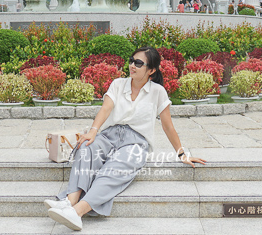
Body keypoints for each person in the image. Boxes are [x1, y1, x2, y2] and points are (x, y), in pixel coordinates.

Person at [46, 47, 206, 231]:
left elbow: (167, 126)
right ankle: (69, 201)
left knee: (115, 168)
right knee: (87, 147)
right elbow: (106, 108)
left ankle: (77, 212)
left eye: (138, 63)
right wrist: (93, 131)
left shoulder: (158, 92)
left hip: (136, 142)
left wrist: (181, 154)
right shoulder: (118, 84)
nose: (132, 66)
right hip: (109, 135)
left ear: (151, 70)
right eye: (131, 61)